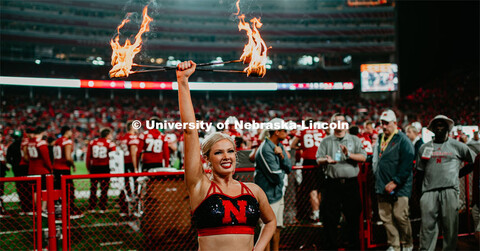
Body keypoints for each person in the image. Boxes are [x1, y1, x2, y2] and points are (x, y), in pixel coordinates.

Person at [177, 60, 276, 251]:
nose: (226, 156)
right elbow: (190, 132)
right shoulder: (200, 186)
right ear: (207, 159)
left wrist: (258, 248)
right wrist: (182, 81)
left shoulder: (253, 191)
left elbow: (270, 221)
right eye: (218, 152)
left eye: (230, 151)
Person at [416, 115, 476, 251]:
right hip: (429, 192)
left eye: (442, 125)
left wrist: (459, 174)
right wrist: (419, 194)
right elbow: (419, 172)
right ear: (432, 129)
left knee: (451, 227)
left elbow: (475, 160)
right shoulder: (424, 147)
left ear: (448, 128)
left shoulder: (457, 145)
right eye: (436, 125)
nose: (439, 127)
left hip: (450, 190)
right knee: (427, 227)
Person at [316, 113, 366, 249]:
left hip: (350, 184)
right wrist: (326, 160)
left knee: (353, 218)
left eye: (341, 121)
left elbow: (363, 157)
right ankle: (332, 247)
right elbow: (318, 159)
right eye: (335, 121)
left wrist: (348, 154)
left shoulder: (355, 140)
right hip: (332, 185)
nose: (338, 123)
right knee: (330, 219)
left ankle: (353, 246)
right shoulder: (326, 141)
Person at [372, 110, 414, 251]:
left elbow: (407, 163)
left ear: (395, 123)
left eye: (387, 123)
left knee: (400, 216)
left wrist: (396, 182)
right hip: (382, 184)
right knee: (386, 217)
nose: (384, 126)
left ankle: (407, 243)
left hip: (400, 186)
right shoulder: (379, 138)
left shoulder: (403, 139)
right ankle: (394, 245)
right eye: (382, 123)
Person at [255, 118, 293, 251]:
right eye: (284, 130)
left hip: (277, 194)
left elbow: (289, 168)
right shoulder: (265, 148)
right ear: (277, 132)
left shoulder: (279, 146)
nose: (287, 133)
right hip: (267, 195)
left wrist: (282, 156)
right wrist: (282, 173)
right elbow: (275, 176)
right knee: (267, 230)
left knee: (276, 228)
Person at [290, 118, 326, 224]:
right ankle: (321, 212)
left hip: (308, 161)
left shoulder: (302, 131)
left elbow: (292, 145)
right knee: (320, 188)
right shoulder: (320, 131)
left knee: (312, 189)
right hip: (320, 160)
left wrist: (302, 147)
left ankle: (316, 214)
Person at [53, 126, 83, 219]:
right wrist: (73, 165)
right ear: (67, 131)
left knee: (57, 190)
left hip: (56, 168)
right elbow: (68, 157)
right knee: (69, 190)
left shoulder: (57, 141)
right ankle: (70, 211)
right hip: (64, 169)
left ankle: (58, 211)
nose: (71, 133)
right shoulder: (67, 141)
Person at [86, 128, 116, 213]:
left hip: (94, 167)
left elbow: (88, 157)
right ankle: (102, 207)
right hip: (105, 167)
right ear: (107, 135)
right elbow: (114, 157)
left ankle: (91, 207)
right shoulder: (110, 143)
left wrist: (89, 167)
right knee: (104, 188)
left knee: (93, 187)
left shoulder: (93, 142)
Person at [27, 126, 53, 216]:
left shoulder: (30, 142)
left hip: (32, 170)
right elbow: (46, 158)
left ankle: (37, 209)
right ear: (42, 132)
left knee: (35, 191)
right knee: (44, 189)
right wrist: (50, 168)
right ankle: (43, 209)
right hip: (42, 170)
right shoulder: (41, 142)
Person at [6, 129, 33, 215]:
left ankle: (24, 205)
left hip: (17, 168)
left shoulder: (11, 146)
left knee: (20, 186)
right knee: (28, 186)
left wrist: (14, 164)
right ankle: (29, 205)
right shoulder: (25, 144)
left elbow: (8, 159)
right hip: (25, 167)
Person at [118, 121, 140, 216]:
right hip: (131, 162)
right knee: (136, 183)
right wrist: (135, 167)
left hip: (124, 162)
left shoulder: (123, 137)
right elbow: (133, 153)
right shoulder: (132, 137)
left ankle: (126, 201)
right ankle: (134, 201)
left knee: (126, 183)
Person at [0, 133, 9, 217]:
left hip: (2, 170)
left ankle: (1, 207)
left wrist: (5, 166)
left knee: (1, 189)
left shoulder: (2, 146)